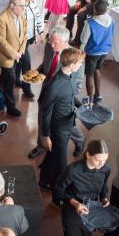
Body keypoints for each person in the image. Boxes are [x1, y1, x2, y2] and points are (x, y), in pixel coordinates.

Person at [29, 28, 85, 160]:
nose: (51, 45)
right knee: (43, 117)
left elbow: (78, 84)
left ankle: (79, 140)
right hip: (46, 92)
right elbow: (45, 65)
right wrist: (36, 72)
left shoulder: (75, 57)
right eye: (51, 41)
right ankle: (41, 145)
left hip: (63, 99)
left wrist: (62, 94)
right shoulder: (50, 48)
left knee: (63, 124)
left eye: (55, 43)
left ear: (65, 41)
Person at [38, 47, 85, 191]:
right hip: (58, 129)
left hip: (67, 124)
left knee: (54, 154)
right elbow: (45, 112)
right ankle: (58, 188)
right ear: (72, 65)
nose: (81, 65)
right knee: (61, 161)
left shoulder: (69, 76)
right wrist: (45, 136)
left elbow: (70, 96)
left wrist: (81, 105)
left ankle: (45, 180)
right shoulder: (55, 85)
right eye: (80, 63)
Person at [54, 139, 111, 236]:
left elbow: (103, 187)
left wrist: (104, 197)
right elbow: (57, 191)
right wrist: (75, 204)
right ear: (88, 155)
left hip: (90, 210)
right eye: (98, 160)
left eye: (104, 160)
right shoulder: (72, 170)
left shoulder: (106, 169)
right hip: (71, 209)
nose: (102, 164)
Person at [0, 0, 28, 117]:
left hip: (17, 54)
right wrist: (14, 54)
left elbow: (24, 35)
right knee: (11, 79)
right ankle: (10, 106)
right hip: (5, 55)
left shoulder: (22, 16)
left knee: (5, 79)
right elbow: (1, 41)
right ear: (12, 5)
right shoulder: (2, 19)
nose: (24, 8)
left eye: (25, 6)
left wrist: (22, 50)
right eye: (22, 6)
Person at [13, 0, 44, 98]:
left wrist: (41, 33)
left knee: (20, 61)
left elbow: (38, 17)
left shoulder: (33, 3)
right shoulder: (19, 6)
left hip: (30, 37)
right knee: (27, 62)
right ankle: (27, 89)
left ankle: (16, 79)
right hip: (20, 40)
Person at [80, 0, 114, 103]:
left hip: (93, 52)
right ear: (105, 10)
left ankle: (90, 100)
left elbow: (83, 40)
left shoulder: (90, 23)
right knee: (97, 69)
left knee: (89, 75)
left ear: (94, 10)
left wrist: (81, 52)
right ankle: (98, 95)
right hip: (105, 51)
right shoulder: (111, 20)